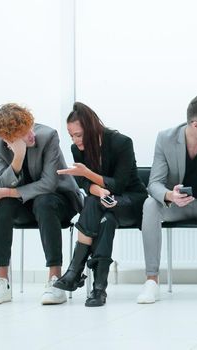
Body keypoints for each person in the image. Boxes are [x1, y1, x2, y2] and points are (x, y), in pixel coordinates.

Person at [0, 103, 82, 305]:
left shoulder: (48, 136)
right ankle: (2, 282)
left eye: (29, 127)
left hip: (58, 200)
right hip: (26, 204)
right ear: (7, 139)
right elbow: (2, 181)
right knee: (2, 205)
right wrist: (18, 156)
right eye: (22, 134)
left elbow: (48, 184)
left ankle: (55, 281)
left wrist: (6, 192)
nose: (30, 135)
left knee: (43, 201)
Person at [136, 94, 197, 304]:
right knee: (150, 204)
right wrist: (169, 195)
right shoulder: (165, 138)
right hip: (176, 205)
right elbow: (154, 183)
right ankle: (151, 281)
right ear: (195, 124)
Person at [53, 102, 148, 307]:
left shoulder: (121, 142)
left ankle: (74, 271)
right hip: (104, 203)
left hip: (131, 201)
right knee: (105, 220)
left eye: (79, 135)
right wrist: (100, 190)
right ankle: (98, 290)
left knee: (94, 204)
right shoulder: (76, 148)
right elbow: (85, 184)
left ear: (92, 128)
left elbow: (120, 185)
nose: (75, 140)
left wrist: (88, 174)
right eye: (71, 135)